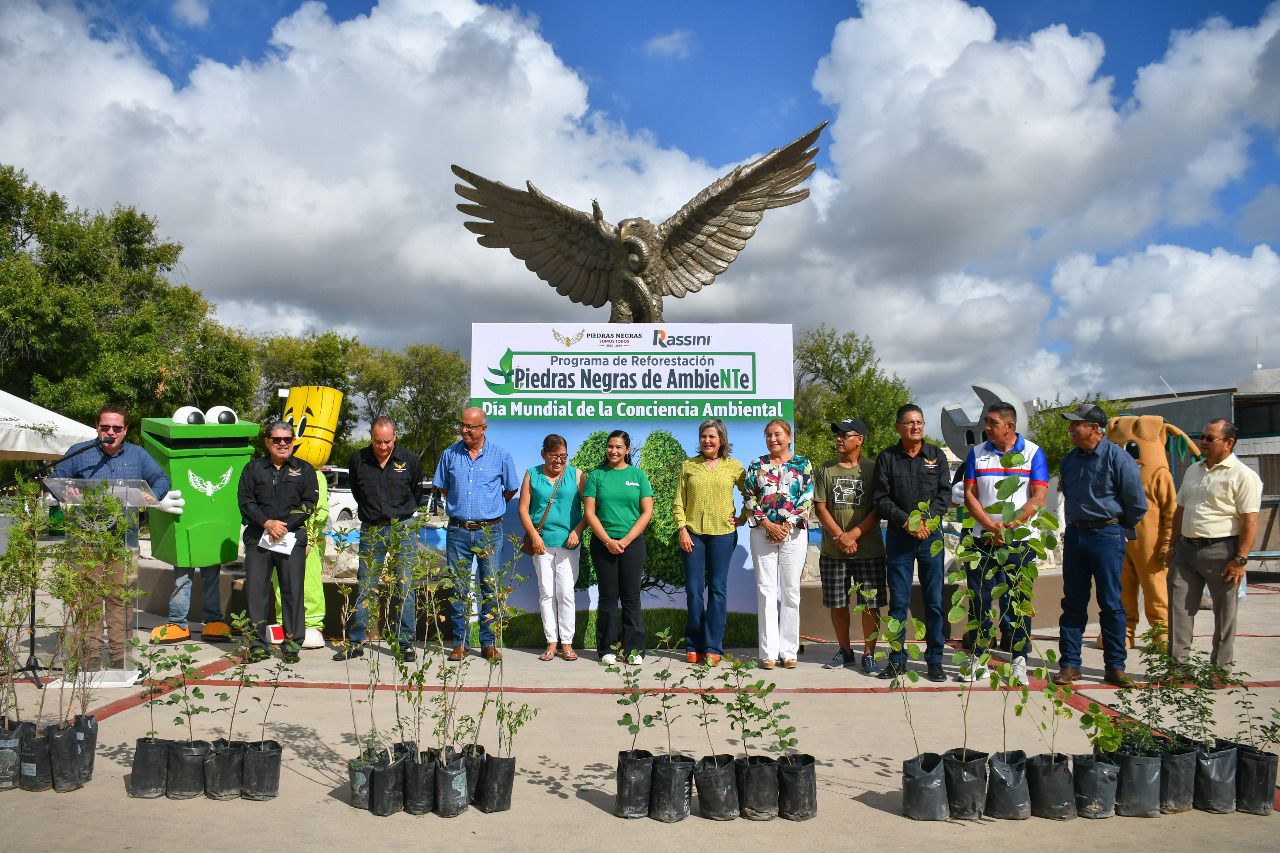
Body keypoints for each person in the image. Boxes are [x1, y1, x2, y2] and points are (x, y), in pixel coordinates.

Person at [53, 404, 177, 669]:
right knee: (89, 599)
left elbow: (161, 478)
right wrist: (67, 489)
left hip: (123, 540)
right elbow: (57, 477)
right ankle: (91, 656)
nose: (110, 432)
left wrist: (152, 494)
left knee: (120, 600)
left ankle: (120, 656)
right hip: (85, 540)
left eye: (116, 428)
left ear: (125, 430)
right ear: (97, 427)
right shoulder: (80, 452)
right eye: (105, 427)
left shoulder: (138, 455)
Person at [1054, 403, 1147, 687]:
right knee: (1073, 602)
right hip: (1076, 536)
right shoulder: (1070, 461)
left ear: (1094, 428)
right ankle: (1070, 664)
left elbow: (1136, 504)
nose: (1070, 429)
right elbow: (1068, 496)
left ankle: (1115, 667)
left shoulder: (1118, 459)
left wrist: (1116, 526)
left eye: (1076, 424)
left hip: (1107, 535)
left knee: (1111, 602)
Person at [961, 403, 1048, 686]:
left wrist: (1010, 525)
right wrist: (990, 525)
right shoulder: (976, 453)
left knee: (1019, 600)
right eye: (986, 422)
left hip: (1019, 541)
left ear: (1009, 426)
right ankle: (979, 655)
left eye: (992, 422)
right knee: (980, 599)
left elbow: (1038, 497)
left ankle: (1019, 659)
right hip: (982, 538)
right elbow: (970, 494)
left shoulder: (1033, 453)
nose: (986, 427)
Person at [1167, 419, 1260, 679]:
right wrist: (1172, 544)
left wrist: (1240, 559)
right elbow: (1180, 510)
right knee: (1178, 609)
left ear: (1228, 443)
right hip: (1186, 550)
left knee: (1224, 613)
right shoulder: (1193, 470)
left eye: (1210, 438)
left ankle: (1219, 670)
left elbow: (1250, 521)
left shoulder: (1242, 475)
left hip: (1222, 551)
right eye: (1202, 437)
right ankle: (1178, 669)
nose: (1203, 442)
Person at [872, 404, 952, 682]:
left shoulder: (936, 456)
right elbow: (881, 500)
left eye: (919, 422)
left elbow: (944, 495)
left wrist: (925, 523)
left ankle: (935, 660)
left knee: (934, 601)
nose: (915, 426)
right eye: (909, 422)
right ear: (898, 427)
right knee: (898, 603)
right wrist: (908, 522)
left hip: (931, 538)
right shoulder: (887, 458)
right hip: (900, 538)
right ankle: (897, 661)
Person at [433, 407, 519, 661]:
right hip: (458, 530)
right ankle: (460, 643)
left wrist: (490, 510)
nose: (464, 430)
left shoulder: (501, 455)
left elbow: (510, 489)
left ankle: (488, 643)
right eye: (462, 425)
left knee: (490, 587)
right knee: (459, 588)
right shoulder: (449, 454)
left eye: (470, 427)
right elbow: (444, 488)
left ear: (483, 428)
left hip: (489, 532)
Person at [335, 417, 424, 662]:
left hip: (402, 528)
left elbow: (417, 493)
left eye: (387, 441)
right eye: (377, 442)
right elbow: (357, 491)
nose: (383, 447)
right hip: (372, 529)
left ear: (395, 437)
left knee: (405, 586)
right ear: (371, 438)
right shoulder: (358, 459)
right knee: (366, 586)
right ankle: (356, 642)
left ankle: (405, 643)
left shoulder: (410, 460)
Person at [238, 421, 318, 662]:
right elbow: (245, 501)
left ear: (293, 441)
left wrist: (283, 526)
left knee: (292, 592)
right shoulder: (253, 469)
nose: (282, 443)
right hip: (258, 537)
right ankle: (257, 645)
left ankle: (292, 645)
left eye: (287, 439)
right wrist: (266, 523)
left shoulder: (305, 470)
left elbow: (309, 504)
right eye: (277, 439)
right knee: (256, 593)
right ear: (268, 442)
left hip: (290, 538)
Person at [813, 417, 885, 675]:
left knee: (870, 603)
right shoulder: (825, 469)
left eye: (845, 435)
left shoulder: (874, 469)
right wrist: (840, 536)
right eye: (838, 435)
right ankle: (844, 650)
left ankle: (869, 653)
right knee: (838, 602)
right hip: (834, 551)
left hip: (869, 550)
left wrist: (854, 534)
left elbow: (879, 508)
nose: (839, 439)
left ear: (860, 439)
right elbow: (820, 507)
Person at [674, 418, 747, 666]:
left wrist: (743, 517)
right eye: (703, 436)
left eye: (712, 436)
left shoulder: (733, 466)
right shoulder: (688, 466)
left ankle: (713, 646)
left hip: (723, 535)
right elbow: (678, 501)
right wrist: (682, 529)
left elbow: (751, 493)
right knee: (694, 591)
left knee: (717, 590)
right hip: (693, 534)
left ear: (721, 440)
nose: (707, 440)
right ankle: (693, 644)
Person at [743, 419, 813, 670]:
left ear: (789, 436)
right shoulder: (756, 464)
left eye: (778, 434)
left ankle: (788, 651)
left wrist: (786, 526)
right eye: (768, 435)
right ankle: (769, 653)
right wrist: (767, 525)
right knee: (766, 591)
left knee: (791, 591)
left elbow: (807, 497)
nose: (773, 439)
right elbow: (749, 497)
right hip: (762, 533)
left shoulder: (803, 463)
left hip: (793, 535)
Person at [583, 430, 653, 665]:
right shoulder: (596, 476)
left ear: (627, 450)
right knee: (608, 597)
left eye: (619, 447)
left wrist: (625, 540)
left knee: (631, 597)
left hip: (632, 545)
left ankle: (634, 650)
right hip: (603, 544)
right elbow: (590, 513)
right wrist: (608, 541)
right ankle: (607, 650)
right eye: (610, 446)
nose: (613, 451)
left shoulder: (638, 476)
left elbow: (647, 512)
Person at [518, 434, 587, 662]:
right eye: (554, 455)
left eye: (563, 456)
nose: (559, 460)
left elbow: (590, 509)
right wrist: (534, 537)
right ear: (543, 454)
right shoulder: (532, 474)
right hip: (541, 544)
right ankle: (551, 642)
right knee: (546, 592)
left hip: (569, 543)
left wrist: (578, 531)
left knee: (565, 593)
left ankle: (567, 643)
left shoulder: (577, 475)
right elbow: (523, 509)